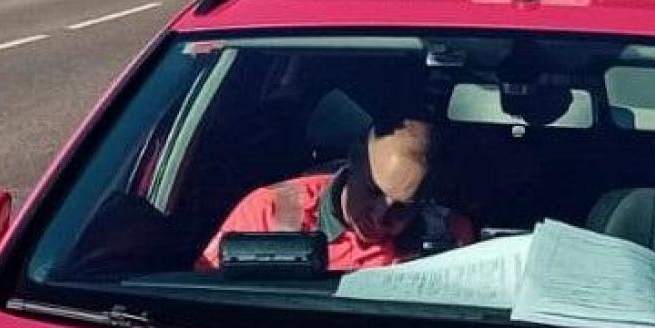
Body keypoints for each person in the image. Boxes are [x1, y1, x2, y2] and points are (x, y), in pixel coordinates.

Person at [196, 118, 474, 273]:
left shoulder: (447, 237)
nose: (380, 216)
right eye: (373, 192)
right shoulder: (272, 210)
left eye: (403, 207)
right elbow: (204, 296)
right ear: (353, 160)